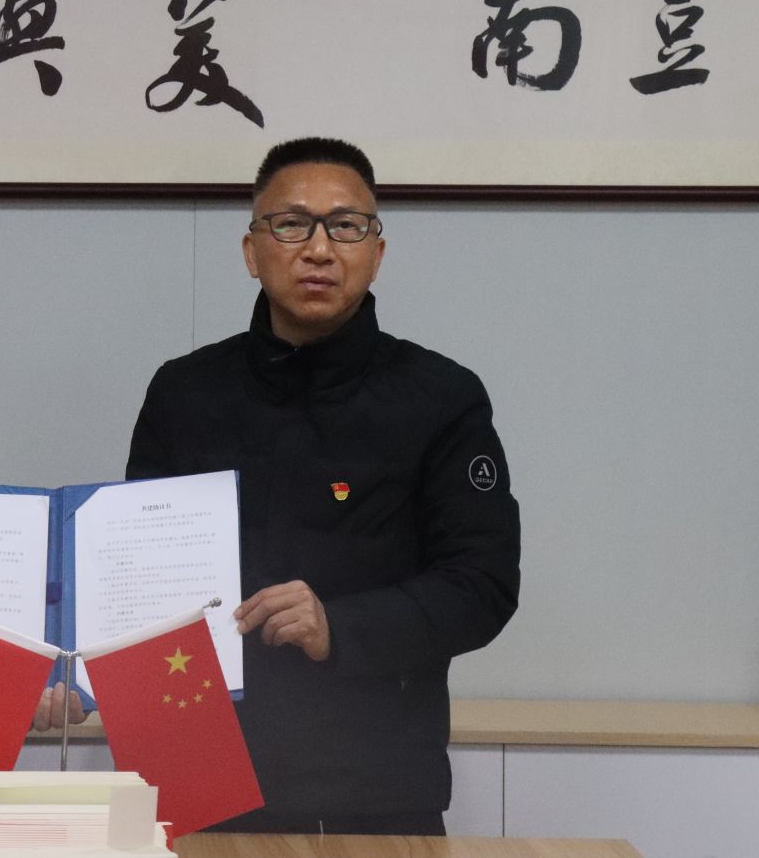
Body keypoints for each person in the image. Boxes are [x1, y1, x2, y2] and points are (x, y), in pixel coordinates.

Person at [126, 137, 520, 836]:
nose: (318, 249)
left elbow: (481, 585)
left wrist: (339, 626)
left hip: (377, 790)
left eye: (345, 226)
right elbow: (132, 571)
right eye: (290, 224)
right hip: (207, 782)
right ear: (252, 251)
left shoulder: (440, 396)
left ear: (377, 252)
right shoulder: (184, 392)